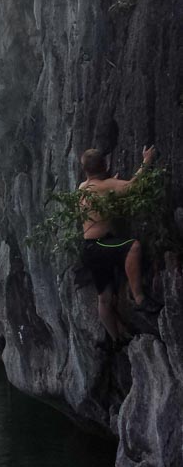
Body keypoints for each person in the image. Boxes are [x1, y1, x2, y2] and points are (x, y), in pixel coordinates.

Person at [79, 145, 163, 345]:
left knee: (105, 298)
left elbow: (105, 190)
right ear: (105, 164)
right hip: (100, 245)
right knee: (133, 247)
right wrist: (147, 160)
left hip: (89, 248)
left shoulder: (83, 187)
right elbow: (133, 186)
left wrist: (111, 183)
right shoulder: (106, 186)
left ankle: (115, 340)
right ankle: (139, 298)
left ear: (86, 170)